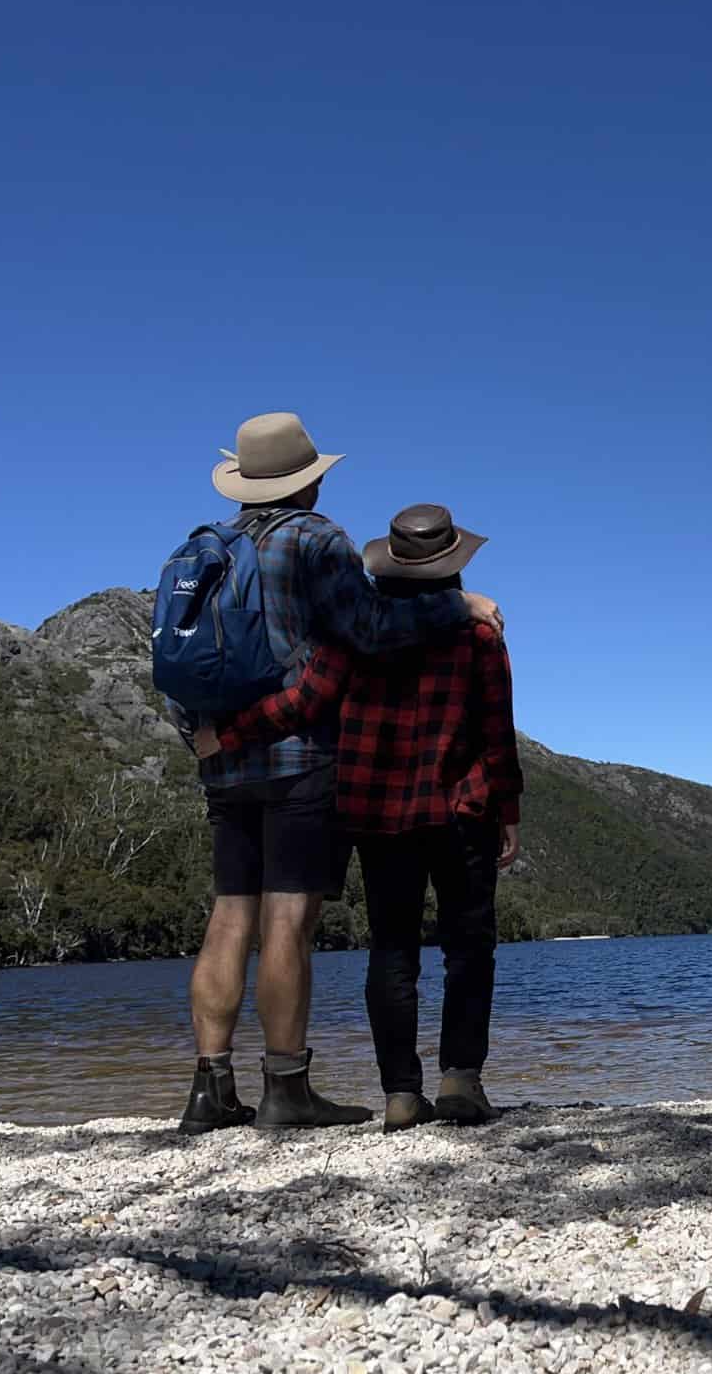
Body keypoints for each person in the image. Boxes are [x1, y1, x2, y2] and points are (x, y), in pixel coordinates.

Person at [170, 414, 504, 1136]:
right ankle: (286, 1087)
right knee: (288, 918)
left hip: (223, 760)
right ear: (309, 481)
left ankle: (210, 1087)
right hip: (297, 761)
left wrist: (209, 737)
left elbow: (182, 658)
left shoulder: (205, 547)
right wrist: (461, 604)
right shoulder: (315, 539)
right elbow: (372, 633)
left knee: (230, 914)